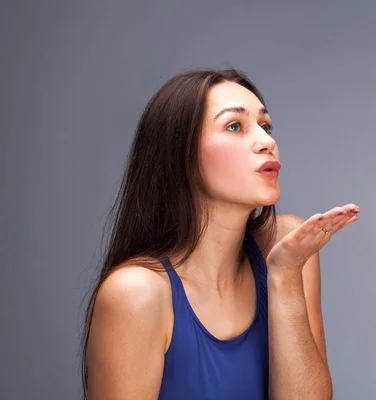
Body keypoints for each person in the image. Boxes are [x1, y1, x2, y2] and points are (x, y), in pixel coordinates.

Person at [80, 68, 360, 399]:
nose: (267, 141)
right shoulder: (136, 294)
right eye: (234, 126)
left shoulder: (288, 245)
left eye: (265, 126)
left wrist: (285, 277)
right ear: (181, 156)